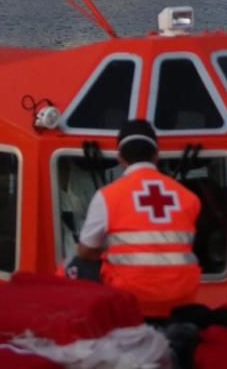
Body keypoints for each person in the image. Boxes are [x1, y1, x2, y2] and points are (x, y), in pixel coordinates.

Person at [76, 120, 202, 318]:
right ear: (156, 155)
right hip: (182, 297)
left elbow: (85, 251)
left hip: (131, 299)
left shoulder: (107, 196)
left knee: (75, 265)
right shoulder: (189, 197)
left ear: (120, 158)